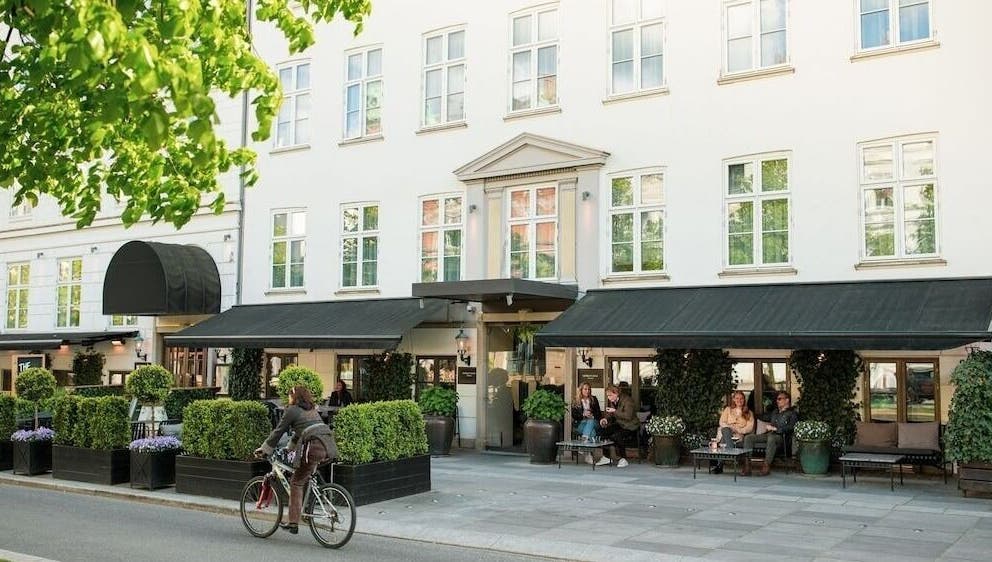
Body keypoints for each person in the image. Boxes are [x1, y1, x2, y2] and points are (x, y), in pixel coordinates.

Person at [254, 385, 338, 534]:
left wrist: (265, 449)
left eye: (289, 396)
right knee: (306, 472)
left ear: (294, 397)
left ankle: (293, 523)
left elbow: (278, 431)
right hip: (328, 446)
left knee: (296, 482)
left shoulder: (292, 410)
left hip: (312, 447)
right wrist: (290, 448)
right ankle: (307, 507)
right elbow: (300, 433)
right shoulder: (311, 409)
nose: (288, 398)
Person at [742, 391, 798, 476]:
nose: (777, 401)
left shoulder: (792, 413)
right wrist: (748, 412)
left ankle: (766, 466)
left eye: (779, 399)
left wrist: (776, 429)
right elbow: (762, 416)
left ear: (787, 400)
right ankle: (747, 465)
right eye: (777, 399)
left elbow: (791, 427)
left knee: (771, 438)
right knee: (749, 438)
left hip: (781, 438)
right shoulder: (775, 412)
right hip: (769, 435)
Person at [596, 385, 640, 468]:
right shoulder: (612, 400)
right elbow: (610, 413)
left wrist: (615, 411)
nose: (609, 398)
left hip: (630, 426)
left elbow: (628, 416)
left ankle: (623, 458)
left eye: (610, 395)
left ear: (616, 393)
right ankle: (606, 456)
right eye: (607, 396)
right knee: (602, 431)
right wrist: (605, 419)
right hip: (620, 423)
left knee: (617, 436)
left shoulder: (628, 401)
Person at [712, 390, 754, 474]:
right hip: (726, 432)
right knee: (725, 430)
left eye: (741, 398)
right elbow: (722, 422)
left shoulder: (748, 413)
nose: (739, 400)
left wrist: (737, 430)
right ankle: (730, 450)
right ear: (733, 399)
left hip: (738, 436)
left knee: (724, 437)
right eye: (737, 398)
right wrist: (731, 427)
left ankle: (720, 465)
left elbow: (749, 428)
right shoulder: (728, 410)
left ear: (744, 400)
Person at [571, 382, 603, 464]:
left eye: (589, 389)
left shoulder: (593, 399)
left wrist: (592, 415)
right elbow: (574, 415)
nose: (587, 391)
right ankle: (588, 455)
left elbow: (599, 414)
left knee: (591, 421)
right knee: (592, 432)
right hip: (581, 424)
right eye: (585, 389)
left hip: (594, 422)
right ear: (581, 390)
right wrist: (583, 414)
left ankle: (583, 444)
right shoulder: (575, 400)